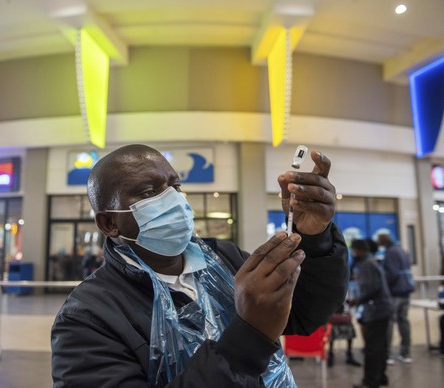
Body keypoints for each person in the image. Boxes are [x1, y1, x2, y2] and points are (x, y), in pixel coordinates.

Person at [51, 144, 349, 387]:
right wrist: (249, 336)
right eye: (148, 192)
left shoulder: (224, 258)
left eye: (175, 185)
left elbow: (305, 314)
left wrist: (315, 238)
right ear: (109, 222)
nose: (174, 199)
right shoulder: (88, 318)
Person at [348, 239, 392, 388]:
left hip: (376, 311)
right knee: (380, 346)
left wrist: (357, 301)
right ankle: (381, 377)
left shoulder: (366, 264)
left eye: (353, 250)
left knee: (372, 347)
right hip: (382, 309)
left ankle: (371, 381)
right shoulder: (370, 262)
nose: (352, 254)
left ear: (360, 250)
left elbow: (372, 289)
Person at [377, 233, 414, 364]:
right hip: (406, 291)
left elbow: (392, 274)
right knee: (403, 320)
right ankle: (405, 353)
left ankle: (388, 355)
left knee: (389, 322)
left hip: (395, 292)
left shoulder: (391, 253)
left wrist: (382, 285)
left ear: (383, 241)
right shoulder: (401, 250)